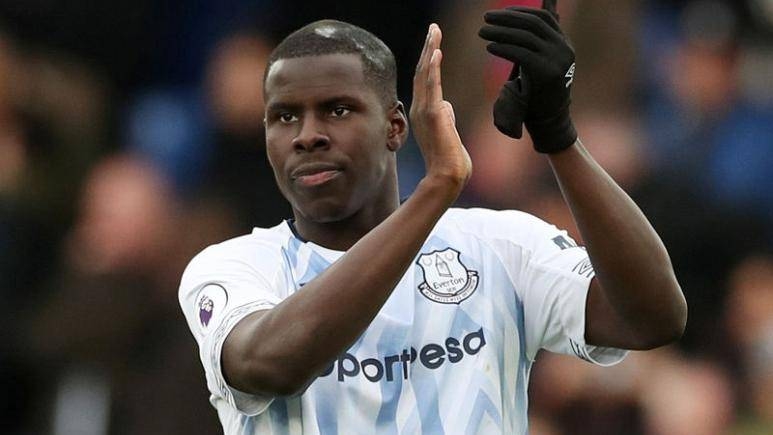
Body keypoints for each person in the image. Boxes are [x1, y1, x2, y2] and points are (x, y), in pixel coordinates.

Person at [179, 7, 687, 434]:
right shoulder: (234, 267)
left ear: (395, 126)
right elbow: (272, 366)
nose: (307, 135)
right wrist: (437, 188)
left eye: (337, 110)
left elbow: (652, 318)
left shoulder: (499, 246)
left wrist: (558, 136)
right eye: (284, 116)